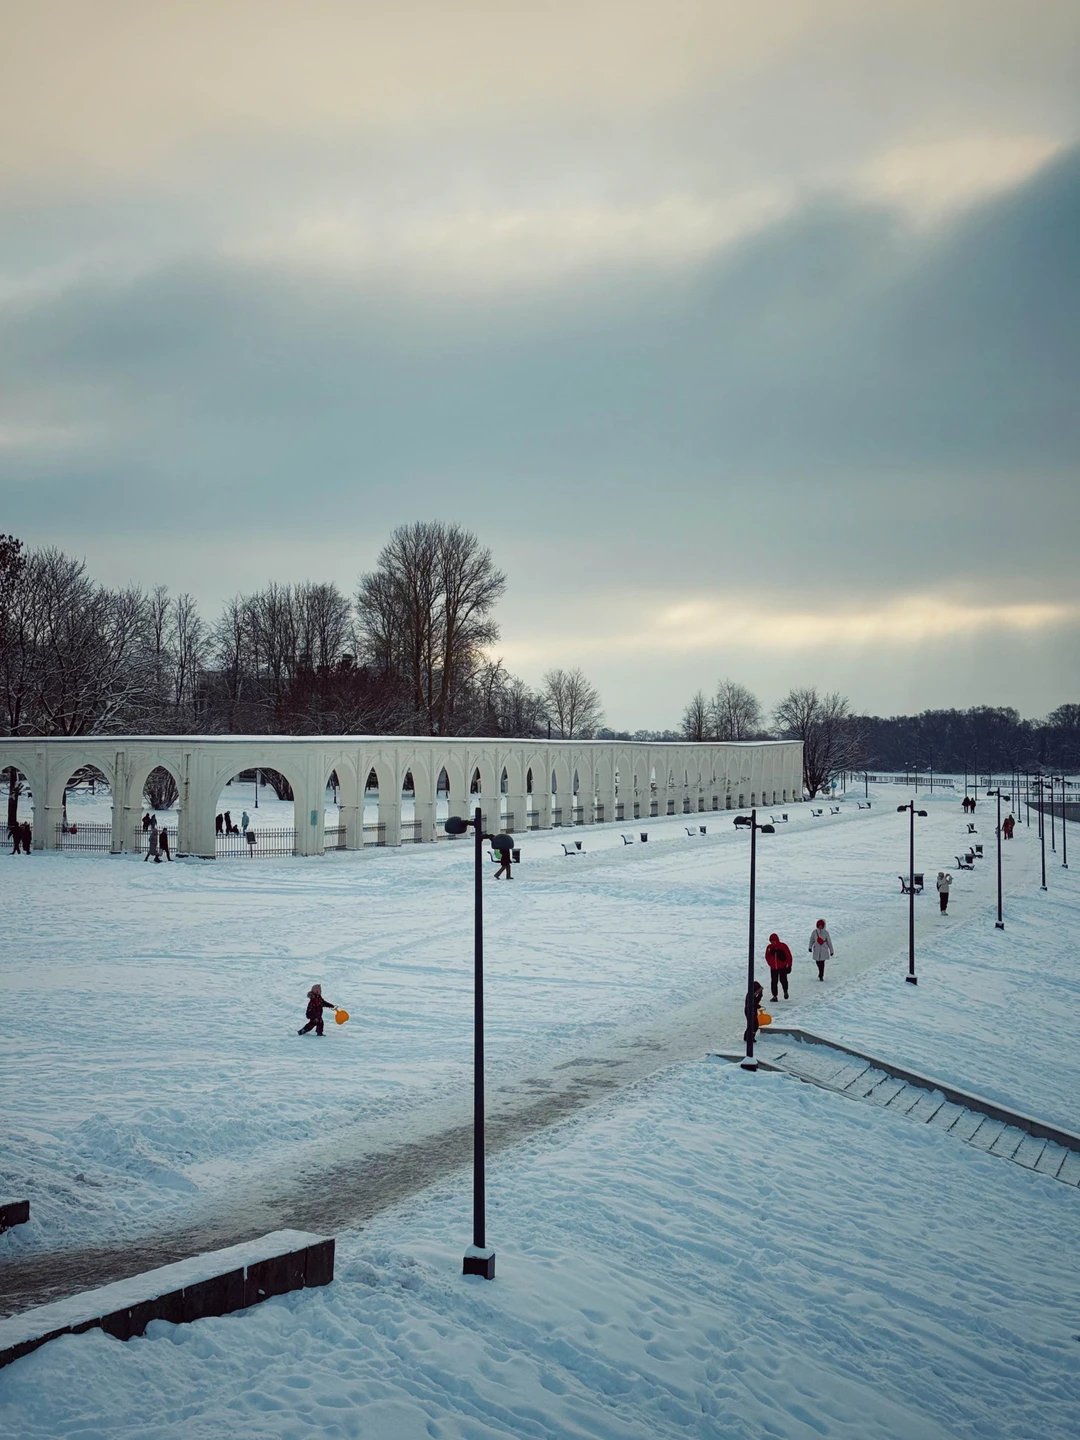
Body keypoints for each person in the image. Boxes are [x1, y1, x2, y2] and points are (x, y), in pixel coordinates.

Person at [765, 932, 793, 1000]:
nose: (772, 942)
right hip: (773, 968)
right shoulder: (769, 947)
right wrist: (770, 964)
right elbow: (767, 956)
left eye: (774, 941)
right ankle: (774, 996)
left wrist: (789, 966)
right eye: (771, 941)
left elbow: (789, 956)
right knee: (774, 982)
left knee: (783, 980)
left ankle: (785, 991)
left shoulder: (783, 946)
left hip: (782, 967)